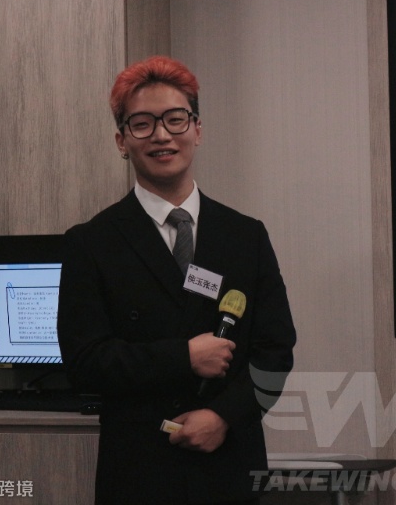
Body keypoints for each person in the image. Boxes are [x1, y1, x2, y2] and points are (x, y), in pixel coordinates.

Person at [57, 55, 296, 504]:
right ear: (122, 141)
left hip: (230, 466)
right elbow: (84, 361)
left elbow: (275, 351)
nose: (162, 135)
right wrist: (182, 357)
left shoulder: (245, 236)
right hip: (139, 470)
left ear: (197, 129)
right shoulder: (91, 242)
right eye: (142, 124)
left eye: (175, 119)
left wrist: (224, 416)